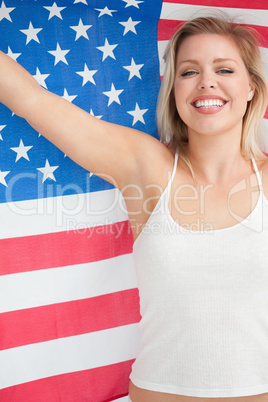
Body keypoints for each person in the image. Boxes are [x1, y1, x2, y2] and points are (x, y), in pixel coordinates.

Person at [0, 13, 268, 402]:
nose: (207, 81)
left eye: (224, 69)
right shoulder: (146, 166)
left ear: (250, 88)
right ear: (175, 91)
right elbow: (30, 100)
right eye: (188, 71)